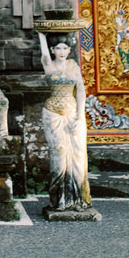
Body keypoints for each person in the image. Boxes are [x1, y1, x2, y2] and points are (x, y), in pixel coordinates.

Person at [36, 31, 93, 213]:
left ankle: (75, 199)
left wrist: (80, 116)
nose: (62, 51)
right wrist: (41, 35)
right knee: (59, 154)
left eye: (65, 48)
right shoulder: (48, 65)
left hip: (71, 114)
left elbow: (81, 91)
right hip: (52, 114)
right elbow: (43, 53)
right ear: (53, 50)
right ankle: (58, 200)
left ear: (69, 50)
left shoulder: (74, 66)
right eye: (58, 48)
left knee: (76, 156)